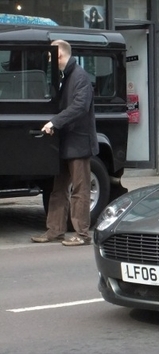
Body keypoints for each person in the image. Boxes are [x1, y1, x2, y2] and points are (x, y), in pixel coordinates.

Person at [31, 40, 98, 246]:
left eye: (52, 55)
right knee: (58, 189)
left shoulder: (79, 77)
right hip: (67, 142)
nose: (50, 60)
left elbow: (80, 106)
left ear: (60, 54)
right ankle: (55, 231)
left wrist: (54, 122)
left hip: (79, 143)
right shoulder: (67, 76)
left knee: (80, 190)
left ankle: (83, 235)